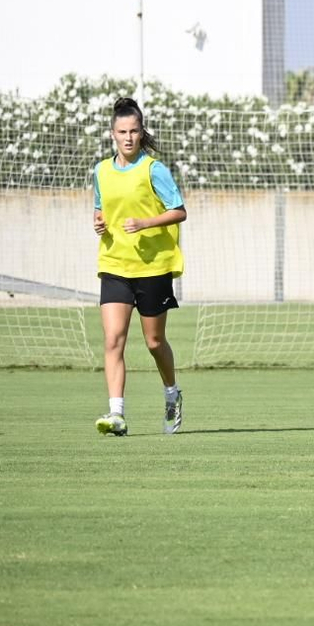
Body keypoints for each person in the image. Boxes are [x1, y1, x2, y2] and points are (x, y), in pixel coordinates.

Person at [92, 97, 187, 436]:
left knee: (154, 342)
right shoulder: (101, 171)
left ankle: (172, 394)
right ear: (112, 134)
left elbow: (179, 210)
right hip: (115, 264)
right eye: (122, 132)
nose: (128, 137)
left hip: (152, 267)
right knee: (113, 339)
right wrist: (99, 223)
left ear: (141, 132)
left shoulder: (153, 169)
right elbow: (100, 210)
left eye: (134, 131)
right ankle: (116, 414)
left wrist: (146, 223)